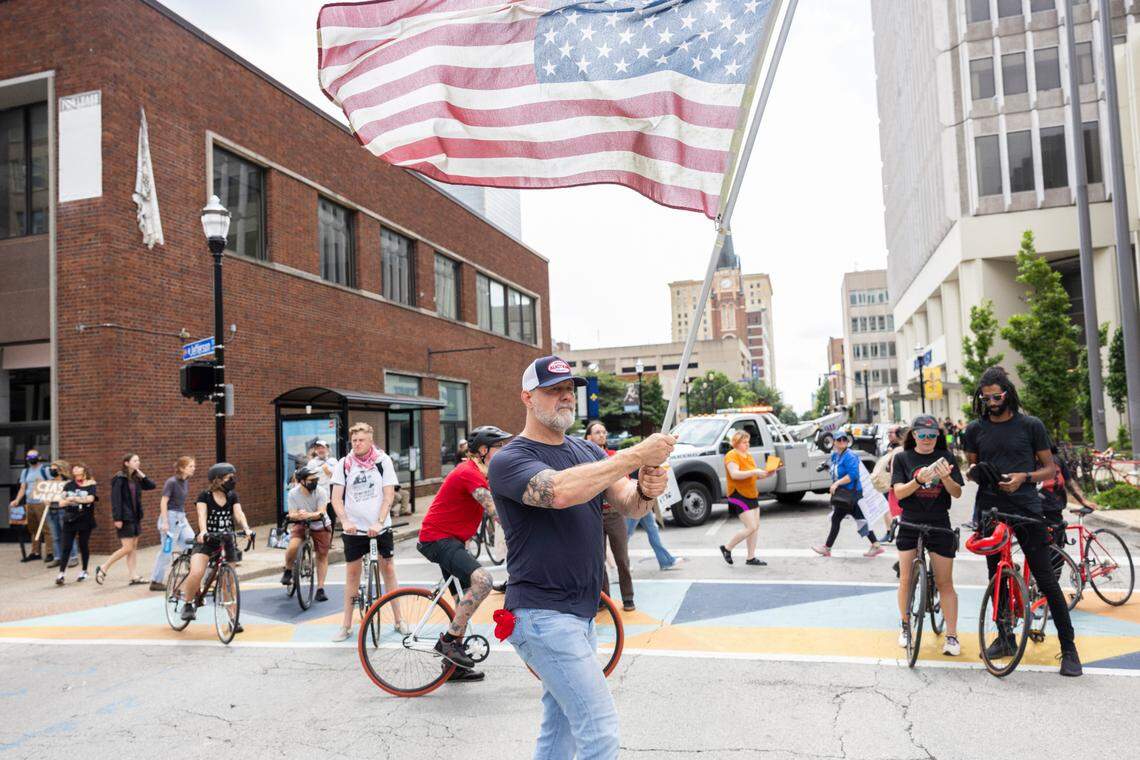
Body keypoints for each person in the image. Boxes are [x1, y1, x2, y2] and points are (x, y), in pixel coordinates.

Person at [488, 355, 675, 760]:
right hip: (541, 613)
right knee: (599, 729)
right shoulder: (508, 459)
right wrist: (634, 456)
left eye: (569, 390)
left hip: (580, 612)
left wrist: (647, 486)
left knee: (561, 732)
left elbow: (629, 504)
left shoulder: (586, 450)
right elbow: (558, 491)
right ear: (527, 397)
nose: (565, 398)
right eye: (553, 390)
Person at [962, 366, 1081, 677]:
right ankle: (1005, 639)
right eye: (985, 397)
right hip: (990, 511)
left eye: (996, 396)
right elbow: (970, 468)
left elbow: (1050, 470)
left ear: (1008, 394)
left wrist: (1023, 477)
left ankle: (1069, 649)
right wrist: (977, 472)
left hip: (1027, 507)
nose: (991, 402)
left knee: (1045, 577)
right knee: (997, 577)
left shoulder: (1031, 425)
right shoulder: (975, 429)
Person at [417, 424, 513, 683]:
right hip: (437, 540)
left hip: (453, 541)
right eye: (499, 447)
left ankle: (453, 667)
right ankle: (448, 643)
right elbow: (494, 511)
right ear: (483, 451)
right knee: (483, 581)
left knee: (463, 599)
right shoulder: (467, 472)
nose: (504, 451)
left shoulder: (481, 473)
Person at [891, 416, 963, 655]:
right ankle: (904, 626)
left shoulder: (947, 457)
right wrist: (919, 480)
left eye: (932, 435)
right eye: (922, 435)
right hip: (910, 522)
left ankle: (951, 636)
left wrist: (945, 477)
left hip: (939, 522)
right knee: (905, 579)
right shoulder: (902, 457)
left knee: (945, 582)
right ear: (913, 435)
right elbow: (899, 493)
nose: (927, 440)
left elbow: (957, 493)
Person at [330, 422, 406, 642]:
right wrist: (344, 521)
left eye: (361, 440)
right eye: (354, 440)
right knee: (352, 574)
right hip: (354, 528)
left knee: (388, 569)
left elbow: (388, 495)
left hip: (379, 526)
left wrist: (380, 522)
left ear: (370, 440)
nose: (357, 443)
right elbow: (336, 498)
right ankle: (346, 625)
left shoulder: (383, 461)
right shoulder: (344, 464)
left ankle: (400, 619)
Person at [179, 463, 253, 625]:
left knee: (229, 581)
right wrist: (204, 531)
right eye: (229, 478)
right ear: (217, 480)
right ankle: (188, 604)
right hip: (207, 540)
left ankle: (233, 618)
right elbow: (201, 515)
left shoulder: (232, 496)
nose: (233, 481)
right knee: (197, 572)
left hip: (226, 541)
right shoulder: (204, 496)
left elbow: (239, 514)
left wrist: (246, 529)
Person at [584, 421, 635, 610]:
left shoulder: (613, 457)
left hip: (614, 514)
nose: (602, 435)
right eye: (597, 432)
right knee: (598, 560)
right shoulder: (584, 460)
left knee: (621, 557)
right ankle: (604, 600)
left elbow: (625, 483)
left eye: (604, 432)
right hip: (594, 514)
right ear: (588, 437)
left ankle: (628, 597)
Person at [813, 430, 884, 557]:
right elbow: (836, 470)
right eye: (839, 440)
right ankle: (875, 544)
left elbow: (853, 475)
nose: (842, 442)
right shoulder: (836, 455)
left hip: (852, 493)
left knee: (837, 519)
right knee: (860, 519)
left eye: (844, 440)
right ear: (834, 442)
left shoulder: (849, 456)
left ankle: (827, 548)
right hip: (846, 494)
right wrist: (826, 468)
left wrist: (836, 483)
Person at [719, 430, 776, 566]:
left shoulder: (748, 456)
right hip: (738, 494)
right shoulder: (731, 455)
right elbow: (735, 474)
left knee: (755, 527)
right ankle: (727, 548)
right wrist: (754, 471)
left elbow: (754, 475)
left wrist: (768, 473)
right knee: (751, 526)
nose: (747, 444)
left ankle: (751, 558)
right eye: (744, 442)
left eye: (748, 442)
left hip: (751, 494)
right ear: (736, 443)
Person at [96, 453, 156, 585]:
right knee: (127, 548)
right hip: (125, 517)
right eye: (135, 461)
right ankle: (104, 567)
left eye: (138, 460)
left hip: (135, 517)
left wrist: (141, 473)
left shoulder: (136, 478)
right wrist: (117, 518)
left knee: (133, 547)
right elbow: (116, 499)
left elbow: (152, 485)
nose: (138, 462)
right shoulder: (119, 478)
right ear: (126, 463)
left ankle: (133, 576)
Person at [281, 464, 332, 602]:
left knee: (322, 555)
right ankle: (288, 569)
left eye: (316, 479)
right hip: (301, 523)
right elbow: (291, 514)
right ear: (302, 481)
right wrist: (299, 516)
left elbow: (322, 511)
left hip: (320, 524)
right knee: (293, 546)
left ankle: (320, 589)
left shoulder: (321, 491)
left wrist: (308, 514)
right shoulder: (293, 493)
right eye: (311, 480)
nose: (314, 482)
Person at [148, 457, 197, 592]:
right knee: (167, 550)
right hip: (170, 518)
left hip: (181, 518)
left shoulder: (185, 481)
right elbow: (163, 502)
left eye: (194, 466)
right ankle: (156, 581)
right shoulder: (172, 482)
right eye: (190, 466)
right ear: (182, 468)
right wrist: (165, 522)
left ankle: (190, 569)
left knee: (193, 542)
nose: (194, 468)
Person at [56, 463, 98, 585]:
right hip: (70, 519)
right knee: (66, 546)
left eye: (78, 467)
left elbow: (91, 499)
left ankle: (84, 570)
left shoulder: (91, 484)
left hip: (85, 518)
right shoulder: (69, 485)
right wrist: (72, 500)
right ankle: (61, 574)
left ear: (84, 470)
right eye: (74, 468)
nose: (75, 469)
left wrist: (72, 499)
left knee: (83, 544)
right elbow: (61, 503)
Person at [11, 449, 51, 562]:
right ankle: (35, 552)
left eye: (33, 456)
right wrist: (17, 500)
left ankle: (50, 553)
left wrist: (49, 498)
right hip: (30, 503)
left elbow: (53, 484)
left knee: (46, 529)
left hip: (42, 502)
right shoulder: (26, 472)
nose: (31, 458)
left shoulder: (45, 470)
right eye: (29, 457)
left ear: (38, 457)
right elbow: (23, 488)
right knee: (33, 529)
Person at [44, 459, 78, 569]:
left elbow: (72, 497)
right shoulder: (49, 483)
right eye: (51, 469)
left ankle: (73, 557)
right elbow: (44, 496)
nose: (51, 471)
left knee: (68, 535)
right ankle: (57, 558)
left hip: (63, 511)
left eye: (54, 469)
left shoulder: (68, 483)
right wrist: (46, 500)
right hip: (51, 511)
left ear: (61, 470)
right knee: (56, 537)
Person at [306, 439, 337, 529]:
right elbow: (310, 476)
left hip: (331, 496)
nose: (320, 450)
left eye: (322, 447)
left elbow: (333, 474)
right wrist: (323, 469)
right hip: (317, 496)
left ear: (327, 449)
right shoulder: (312, 462)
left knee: (331, 519)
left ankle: (329, 541)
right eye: (318, 448)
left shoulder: (333, 461)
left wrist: (323, 470)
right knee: (319, 518)